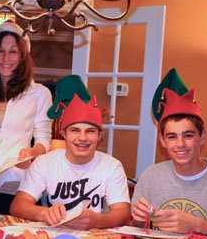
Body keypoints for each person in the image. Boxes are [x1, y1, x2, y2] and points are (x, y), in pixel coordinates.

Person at [131, 68, 207, 234]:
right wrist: (138, 219)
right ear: (162, 141)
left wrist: (199, 226)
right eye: (172, 137)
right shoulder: (150, 176)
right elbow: (136, 229)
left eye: (188, 135)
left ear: (202, 136)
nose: (180, 144)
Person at [10, 87, 130, 230]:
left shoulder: (112, 166)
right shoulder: (45, 163)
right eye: (75, 130)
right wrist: (46, 213)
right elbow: (18, 205)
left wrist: (97, 221)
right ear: (64, 134)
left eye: (90, 131)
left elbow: (123, 213)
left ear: (99, 136)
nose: (83, 138)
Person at [0, 21, 52, 214]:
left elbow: (43, 140)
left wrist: (32, 153)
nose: (6, 58)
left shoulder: (40, 94)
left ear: (23, 55)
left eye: (13, 51)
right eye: (0, 51)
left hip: (15, 184)